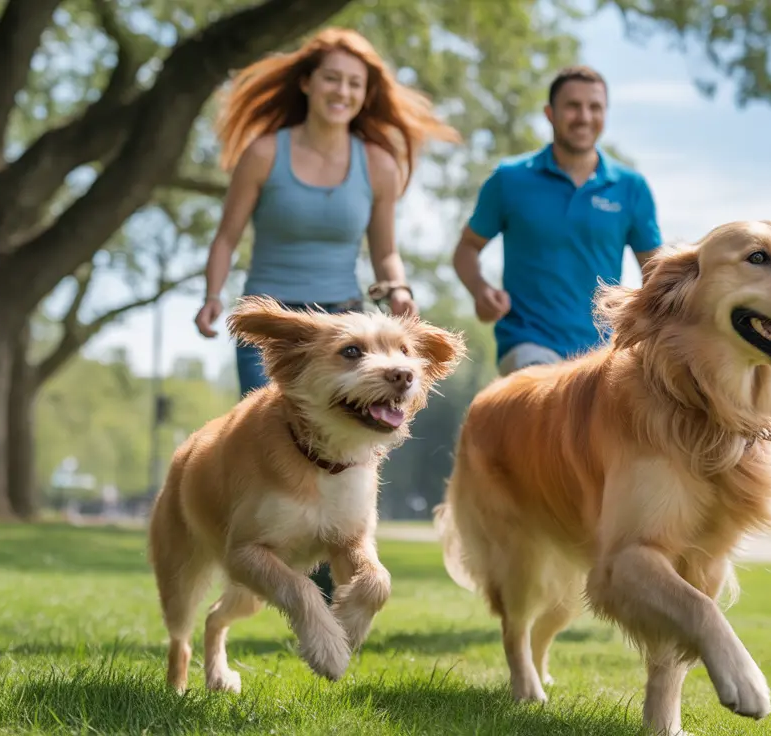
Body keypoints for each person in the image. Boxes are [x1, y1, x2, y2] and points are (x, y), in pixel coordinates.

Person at [193, 27, 460, 599]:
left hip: (345, 323)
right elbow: (226, 236)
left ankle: (332, 577)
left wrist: (397, 288)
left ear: (366, 95)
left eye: (355, 84)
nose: (342, 91)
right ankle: (281, 570)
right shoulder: (266, 152)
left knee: (343, 450)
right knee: (276, 442)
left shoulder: (378, 165)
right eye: (333, 78)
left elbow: (384, 248)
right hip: (276, 324)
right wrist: (214, 295)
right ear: (309, 83)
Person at [452, 65, 663, 375]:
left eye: (595, 107)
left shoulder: (631, 188)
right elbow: (466, 249)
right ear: (550, 113)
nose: (584, 116)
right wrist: (480, 290)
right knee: (544, 401)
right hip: (527, 342)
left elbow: (655, 271)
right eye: (573, 106)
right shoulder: (510, 179)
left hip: (603, 352)